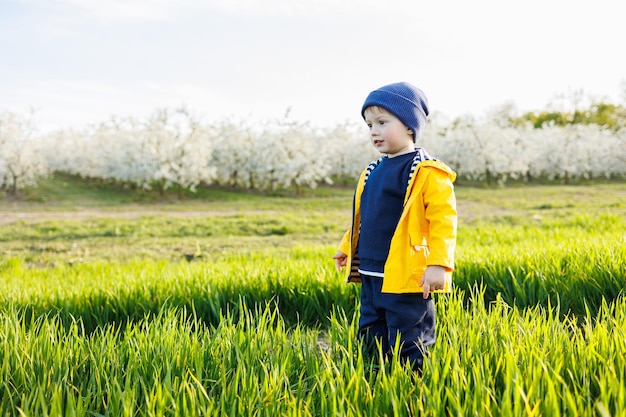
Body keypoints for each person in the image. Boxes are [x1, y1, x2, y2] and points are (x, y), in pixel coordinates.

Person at [332, 82, 457, 372]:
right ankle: (376, 379)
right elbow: (364, 218)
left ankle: (413, 385)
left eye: (382, 122)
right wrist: (345, 248)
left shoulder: (427, 171)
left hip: (406, 275)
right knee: (371, 330)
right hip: (371, 273)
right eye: (369, 124)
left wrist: (438, 264)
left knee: (409, 334)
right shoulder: (372, 171)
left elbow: (443, 221)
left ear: (410, 126)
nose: (373, 131)